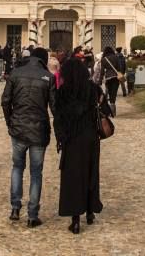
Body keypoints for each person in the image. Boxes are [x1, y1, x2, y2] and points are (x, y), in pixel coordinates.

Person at [54, 55, 107, 234]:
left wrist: (60, 139)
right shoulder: (94, 89)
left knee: (73, 178)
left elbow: (58, 118)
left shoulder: (62, 92)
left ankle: (75, 220)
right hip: (91, 136)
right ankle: (90, 212)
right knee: (91, 172)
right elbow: (105, 109)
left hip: (72, 138)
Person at [2, 46, 54, 228]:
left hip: (18, 127)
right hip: (39, 129)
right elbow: (54, 107)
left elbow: (5, 101)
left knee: (17, 167)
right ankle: (32, 214)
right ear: (44, 60)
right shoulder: (49, 77)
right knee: (36, 173)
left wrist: (10, 121)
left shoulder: (16, 73)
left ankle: (15, 207)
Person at [98, 46, 121, 117]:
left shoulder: (104, 59)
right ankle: (113, 111)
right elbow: (119, 68)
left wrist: (100, 81)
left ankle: (111, 111)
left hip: (108, 78)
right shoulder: (116, 57)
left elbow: (102, 72)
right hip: (115, 78)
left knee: (110, 93)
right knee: (114, 94)